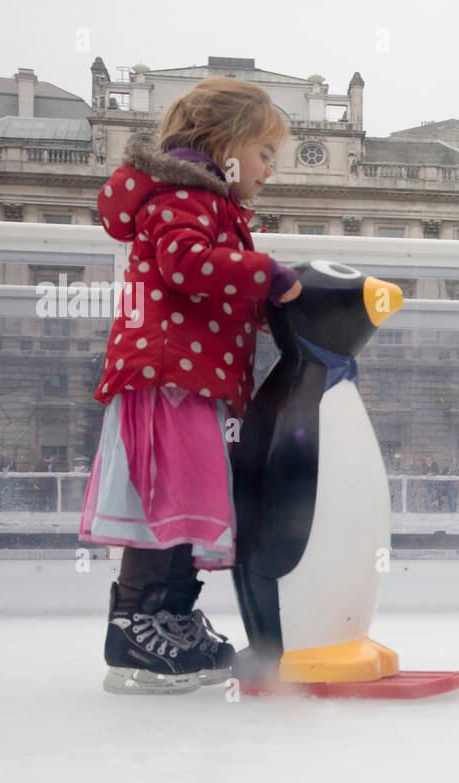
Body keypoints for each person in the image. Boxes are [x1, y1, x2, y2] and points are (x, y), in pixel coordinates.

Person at [79, 76, 301, 694]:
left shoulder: (208, 202)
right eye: (265, 155)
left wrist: (262, 302)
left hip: (189, 377)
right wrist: (267, 274)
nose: (269, 171)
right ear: (224, 144)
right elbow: (185, 264)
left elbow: (210, 289)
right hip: (165, 376)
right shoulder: (183, 192)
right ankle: (135, 622)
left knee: (189, 502)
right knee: (166, 502)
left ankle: (171, 615)